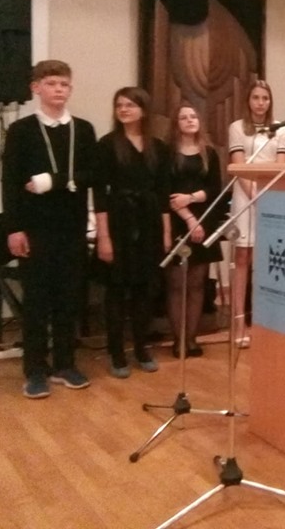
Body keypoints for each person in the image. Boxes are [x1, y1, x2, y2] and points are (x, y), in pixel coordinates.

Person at [2, 60, 98, 398]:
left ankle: (65, 364)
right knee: (37, 301)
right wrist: (14, 229)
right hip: (35, 228)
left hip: (71, 228)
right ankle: (35, 370)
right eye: (52, 83)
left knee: (68, 298)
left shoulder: (83, 130)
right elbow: (11, 182)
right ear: (36, 88)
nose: (59, 89)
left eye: (64, 84)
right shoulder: (21, 130)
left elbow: (92, 174)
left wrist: (53, 181)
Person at [95, 87, 172, 378]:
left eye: (130, 105)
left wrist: (166, 233)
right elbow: (99, 195)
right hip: (118, 220)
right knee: (116, 290)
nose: (124, 109)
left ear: (144, 110)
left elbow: (163, 194)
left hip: (149, 221)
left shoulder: (158, 147)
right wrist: (104, 237)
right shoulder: (107, 144)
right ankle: (116, 352)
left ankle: (141, 347)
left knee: (144, 290)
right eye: (119, 105)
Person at [165, 102, 223, 358]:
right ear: (176, 124)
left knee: (198, 284)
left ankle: (191, 339)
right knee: (177, 285)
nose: (190, 120)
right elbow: (166, 193)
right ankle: (178, 340)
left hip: (204, 220)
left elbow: (215, 189)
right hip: (177, 221)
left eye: (193, 116)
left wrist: (191, 198)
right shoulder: (167, 153)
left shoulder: (209, 153)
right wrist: (189, 218)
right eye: (184, 117)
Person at [227, 80, 277, 345]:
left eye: (265, 98)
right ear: (248, 100)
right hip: (245, 195)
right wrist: (255, 197)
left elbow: (281, 165)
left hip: (272, 196)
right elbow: (238, 165)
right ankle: (239, 323)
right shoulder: (237, 127)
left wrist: (267, 198)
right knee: (243, 256)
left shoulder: (280, 128)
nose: (260, 103)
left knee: (266, 258)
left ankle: (264, 322)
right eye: (256, 97)